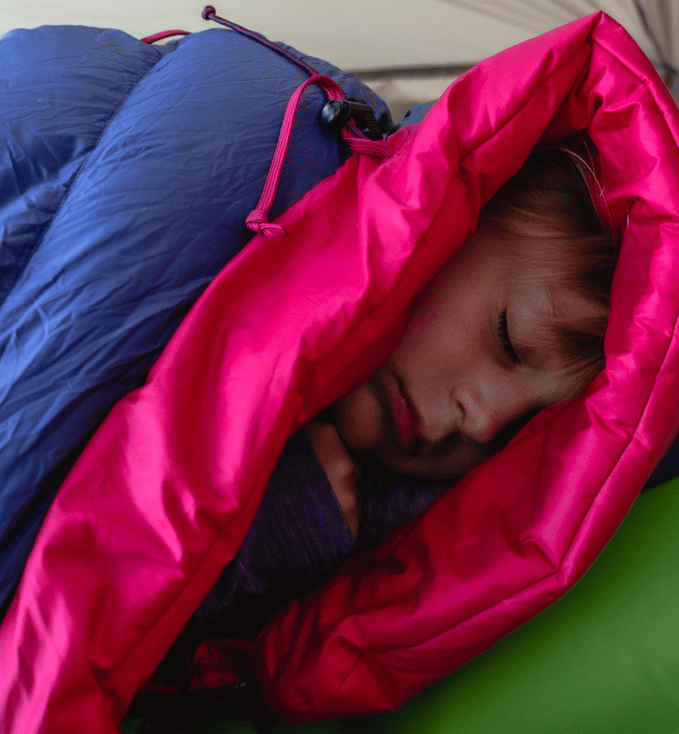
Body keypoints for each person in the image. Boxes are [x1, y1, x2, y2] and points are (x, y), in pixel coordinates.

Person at [195, 140, 616, 631]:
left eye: (520, 429)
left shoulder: (391, 554)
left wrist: (246, 550)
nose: (483, 425)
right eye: (509, 339)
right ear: (449, 216)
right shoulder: (234, 210)